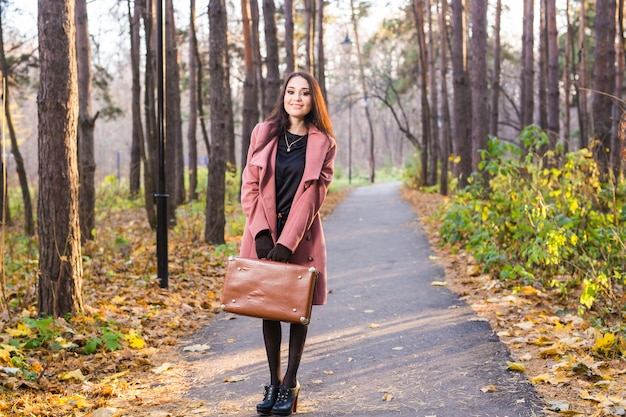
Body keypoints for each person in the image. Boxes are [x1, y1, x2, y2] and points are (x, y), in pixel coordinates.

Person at [239, 71, 336, 416]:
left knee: (295, 311)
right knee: (268, 308)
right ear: (283, 96)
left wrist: (286, 241)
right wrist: (262, 234)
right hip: (262, 236)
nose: (296, 98)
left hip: (300, 237)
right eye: (291, 91)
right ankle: (274, 381)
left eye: (305, 93)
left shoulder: (322, 142)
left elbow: (313, 198)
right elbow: (250, 185)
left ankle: (291, 384)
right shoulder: (263, 133)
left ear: (313, 101)